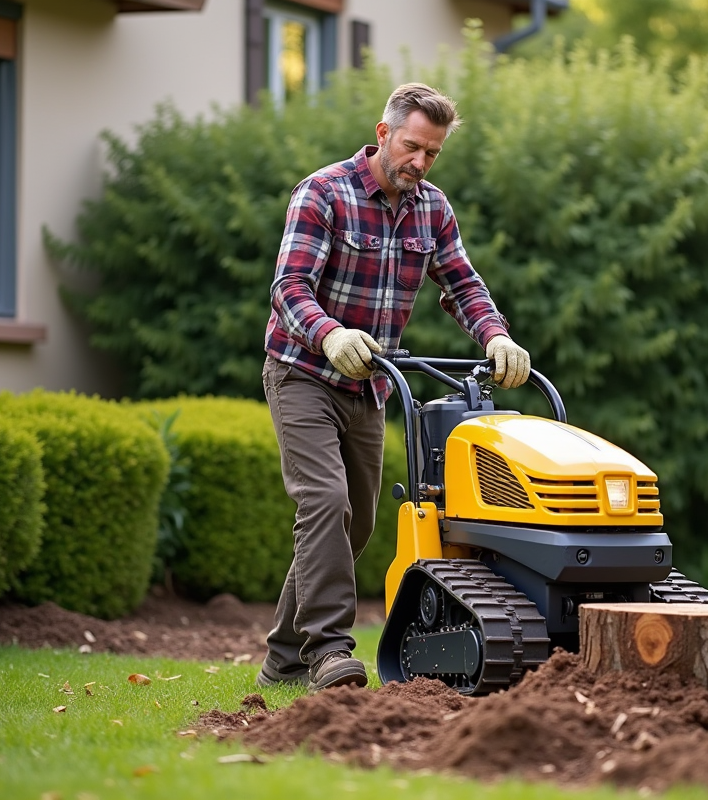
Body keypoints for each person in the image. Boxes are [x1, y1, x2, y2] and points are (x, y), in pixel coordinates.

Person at [258, 83, 531, 693]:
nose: (420, 161)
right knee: (325, 503)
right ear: (383, 133)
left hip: (368, 387)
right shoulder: (324, 192)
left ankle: (283, 657)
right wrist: (330, 334)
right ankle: (329, 651)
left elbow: (462, 284)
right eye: (412, 146)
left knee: (354, 524)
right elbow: (289, 288)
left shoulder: (432, 208)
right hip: (303, 371)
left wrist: (496, 336)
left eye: (432, 153)